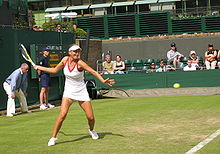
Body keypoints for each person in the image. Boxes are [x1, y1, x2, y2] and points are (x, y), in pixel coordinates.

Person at [33, 44, 115, 146]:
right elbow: (54, 70)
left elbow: (93, 71)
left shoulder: (80, 63)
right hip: (68, 92)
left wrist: (103, 80)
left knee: (91, 118)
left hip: (81, 91)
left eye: (78, 51)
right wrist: (39, 67)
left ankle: (91, 130)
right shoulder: (64, 60)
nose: (77, 53)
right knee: (62, 115)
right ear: (70, 53)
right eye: (75, 51)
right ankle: (53, 137)